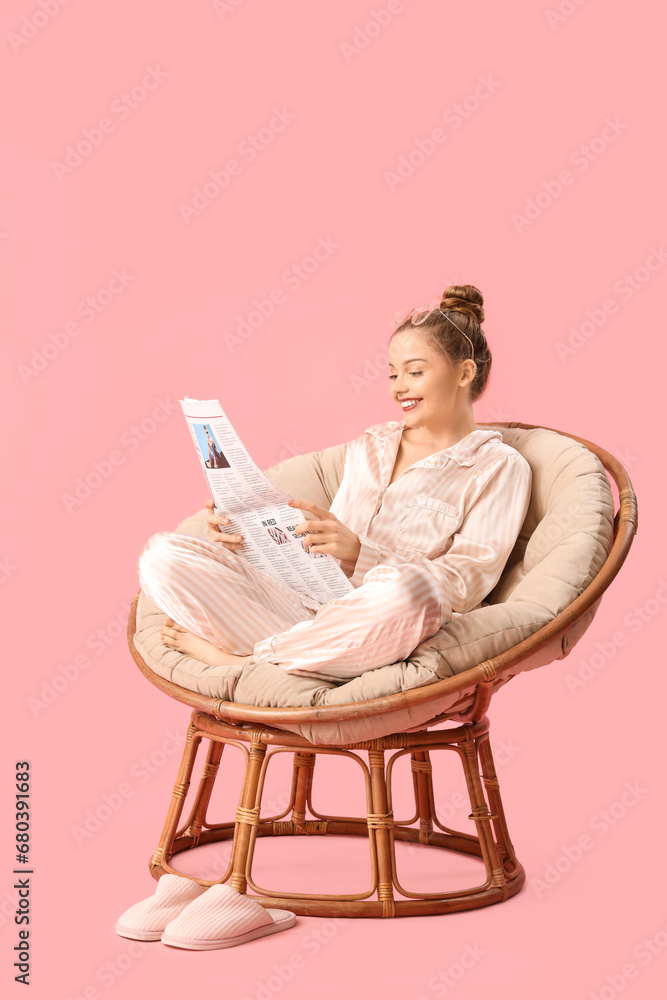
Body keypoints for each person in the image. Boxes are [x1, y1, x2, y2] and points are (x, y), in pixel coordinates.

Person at [137, 284, 532, 683]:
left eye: (414, 372)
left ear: (465, 372)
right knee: (161, 557)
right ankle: (301, 660)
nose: (397, 387)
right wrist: (245, 539)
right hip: (309, 610)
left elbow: (463, 587)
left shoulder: (498, 467)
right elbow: (323, 550)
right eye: (393, 374)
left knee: (413, 591)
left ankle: (243, 665)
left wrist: (362, 553)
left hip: (384, 623)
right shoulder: (371, 446)